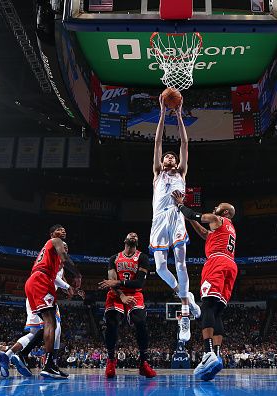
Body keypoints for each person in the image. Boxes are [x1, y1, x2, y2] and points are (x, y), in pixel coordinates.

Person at [171, 190, 237, 381]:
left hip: (216, 263)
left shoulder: (217, 219)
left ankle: (207, 353)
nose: (215, 208)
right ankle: (216, 355)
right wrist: (189, 219)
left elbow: (195, 215)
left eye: (219, 208)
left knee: (207, 305)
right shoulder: (228, 229)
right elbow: (202, 231)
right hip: (230, 265)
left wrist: (181, 205)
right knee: (216, 311)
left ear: (224, 213)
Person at [150, 94, 200, 342]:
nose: (170, 157)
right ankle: (185, 294)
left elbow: (185, 144)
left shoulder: (181, 171)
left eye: (173, 156)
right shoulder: (158, 173)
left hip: (176, 216)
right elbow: (158, 140)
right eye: (166, 156)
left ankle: (184, 313)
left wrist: (179, 115)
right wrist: (161, 113)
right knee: (160, 267)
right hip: (158, 219)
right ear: (160, 161)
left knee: (180, 263)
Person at [0, 238, 82, 378]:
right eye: (63, 247)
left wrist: (71, 290)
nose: (65, 250)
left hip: (35, 293)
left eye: (67, 248)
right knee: (55, 326)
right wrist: (70, 284)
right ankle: (50, 364)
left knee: (35, 332)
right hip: (42, 291)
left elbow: (61, 282)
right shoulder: (56, 258)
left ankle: (7, 355)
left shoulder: (55, 264)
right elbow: (54, 279)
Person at [23, 224, 81, 379]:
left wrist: (67, 288)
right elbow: (65, 258)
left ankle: (24, 354)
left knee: (48, 324)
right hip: (41, 280)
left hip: (35, 280)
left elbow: (59, 268)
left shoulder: (51, 254)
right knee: (51, 323)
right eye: (59, 229)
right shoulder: (56, 241)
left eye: (64, 229)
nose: (63, 231)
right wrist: (78, 274)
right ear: (52, 234)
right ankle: (48, 365)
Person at [98, 232, 156, 379]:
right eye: (131, 235)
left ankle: (143, 363)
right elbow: (111, 283)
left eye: (136, 236)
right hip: (116, 294)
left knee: (141, 322)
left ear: (137, 242)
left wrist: (118, 283)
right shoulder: (114, 258)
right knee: (112, 324)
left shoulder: (142, 258)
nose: (133, 236)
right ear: (125, 240)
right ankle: (111, 360)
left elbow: (140, 283)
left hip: (135, 293)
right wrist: (122, 295)